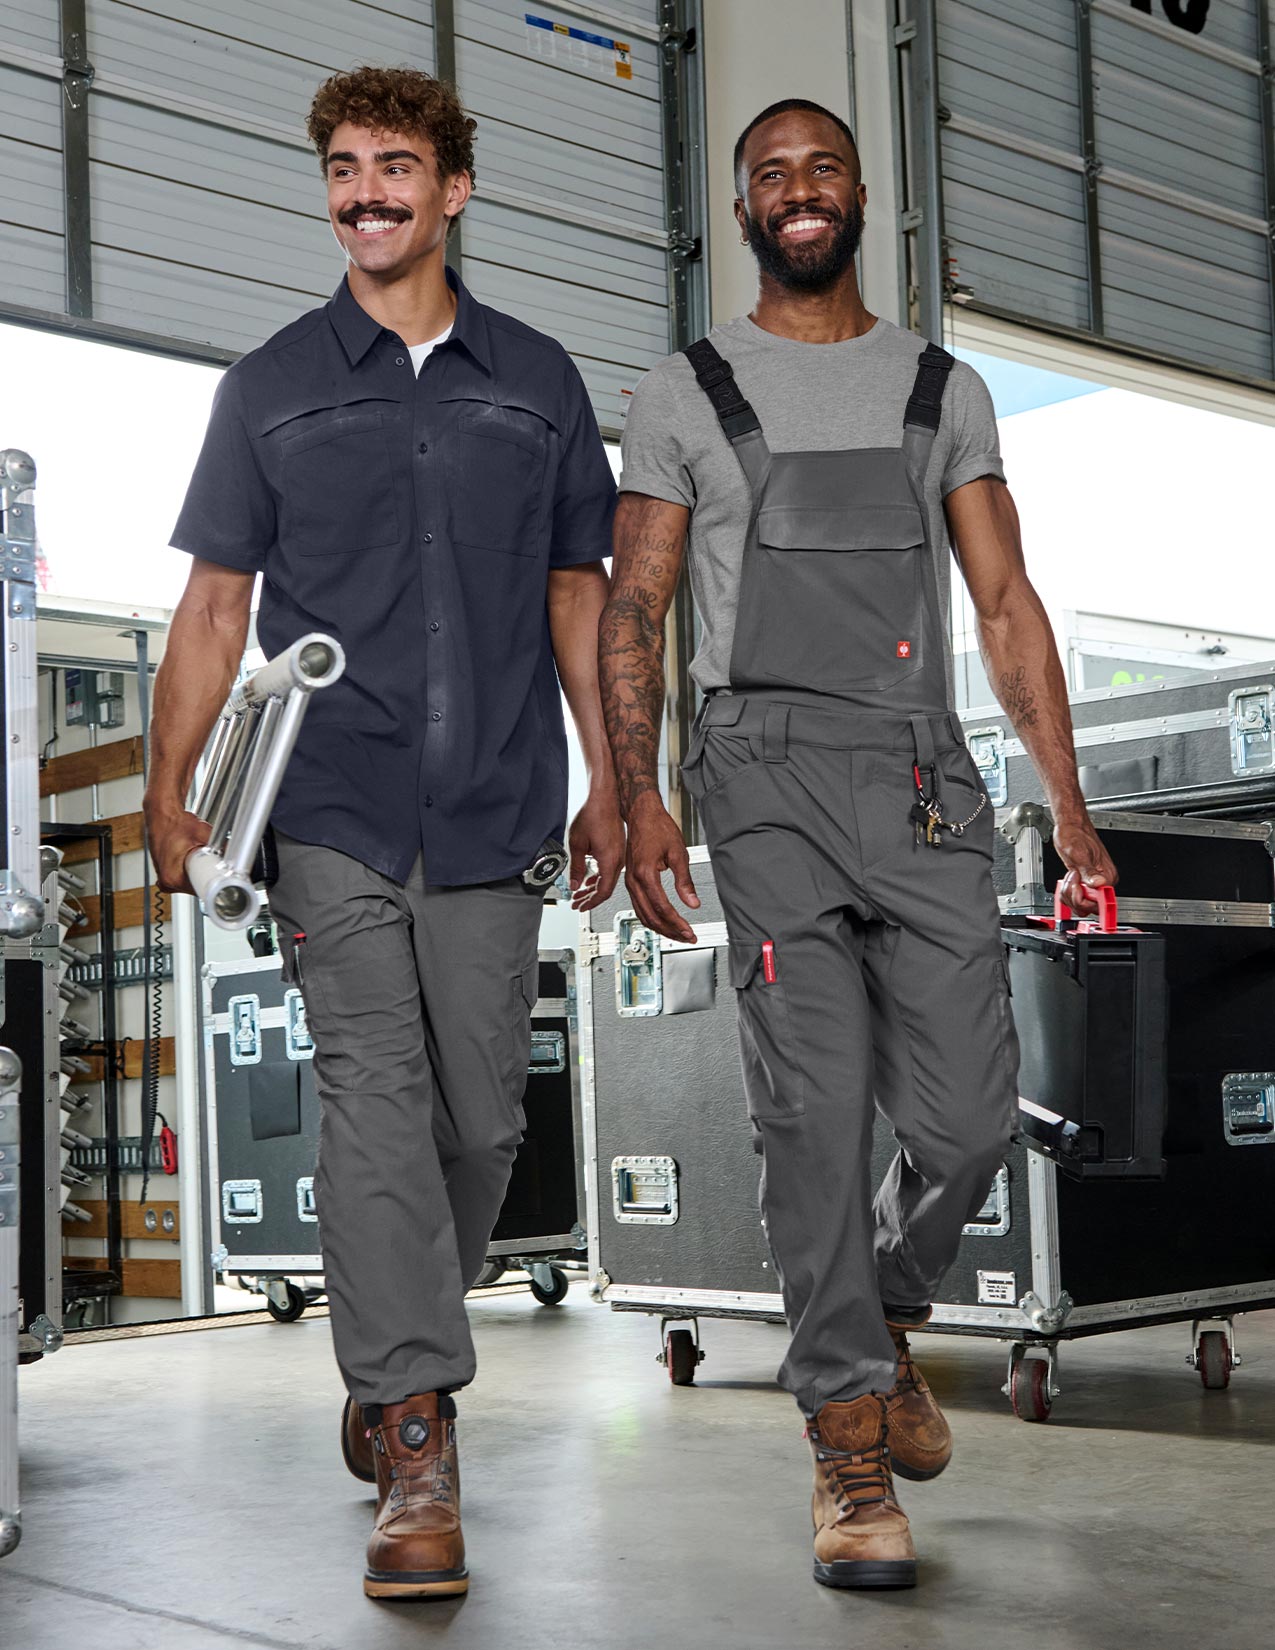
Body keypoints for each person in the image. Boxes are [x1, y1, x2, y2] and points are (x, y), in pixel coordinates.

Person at [599, 97, 1117, 1591]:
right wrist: (639, 791)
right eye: (769, 175)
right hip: (757, 784)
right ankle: (843, 1438)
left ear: (861, 194)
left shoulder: (940, 387)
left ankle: (886, 1306)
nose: (797, 192)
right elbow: (637, 608)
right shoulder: (683, 391)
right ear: (745, 209)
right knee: (813, 1118)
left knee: (967, 1118)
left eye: (821, 168)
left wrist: (1068, 806)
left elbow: (1006, 604)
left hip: (921, 782)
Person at [145, 66, 623, 1600]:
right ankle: (416, 1429)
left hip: (495, 802)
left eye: (396, 167)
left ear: (455, 190)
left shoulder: (538, 378)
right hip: (330, 802)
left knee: (482, 1123)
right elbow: (218, 606)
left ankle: (395, 1331)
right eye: (344, 170)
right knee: (370, 1096)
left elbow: (579, 597)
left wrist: (625, 777)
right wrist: (174, 790)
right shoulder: (273, 383)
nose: (366, 193)